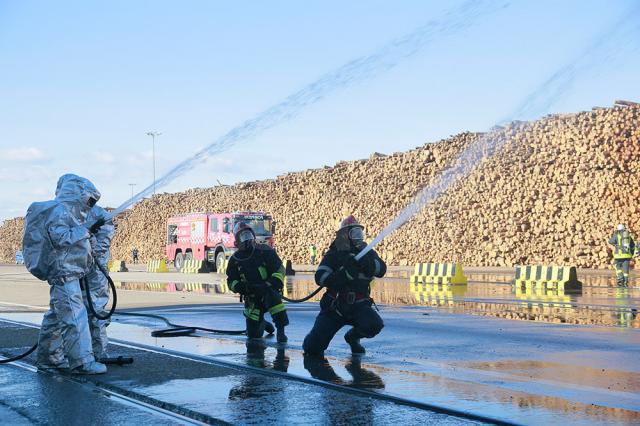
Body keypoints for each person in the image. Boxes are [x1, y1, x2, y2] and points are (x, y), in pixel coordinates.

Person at [26, 174, 107, 374]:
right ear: (77, 194)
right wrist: (85, 230)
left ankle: (48, 359)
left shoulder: (63, 212)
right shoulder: (59, 211)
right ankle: (82, 363)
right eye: (88, 200)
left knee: (55, 318)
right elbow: (61, 238)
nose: (89, 205)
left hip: (67, 272)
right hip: (64, 273)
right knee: (74, 317)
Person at [303, 215, 386, 357]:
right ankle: (312, 343)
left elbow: (382, 270)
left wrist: (369, 264)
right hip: (335, 308)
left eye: (360, 233)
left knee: (374, 325)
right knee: (312, 349)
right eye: (354, 233)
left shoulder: (367, 252)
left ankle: (352, 338)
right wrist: (344, 274)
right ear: (344, 235)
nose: (358, 237)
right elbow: (320, 277)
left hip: (359, 306)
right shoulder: (334, 254)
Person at [226, 222, 289, 343]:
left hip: (267, 290)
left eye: (248, 235)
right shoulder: (235, 259)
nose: (247, 240)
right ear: (237, 241)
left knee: (275, 303)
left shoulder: (265, 251)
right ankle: (262, 323)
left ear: (253, 236)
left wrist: (272, 283)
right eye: (243, 236)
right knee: (253, 335)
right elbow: (231, 281)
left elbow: (279, 269)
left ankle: (281, 332)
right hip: (252, 295)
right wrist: (241, 287)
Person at [82, 205, 115, 361]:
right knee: (75, 312)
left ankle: (97, 352)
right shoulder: (70, 211)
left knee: (96, 310)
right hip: (78, 268)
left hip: (95, 269)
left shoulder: (98, 214)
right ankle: (82, 352)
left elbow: (102, 245)